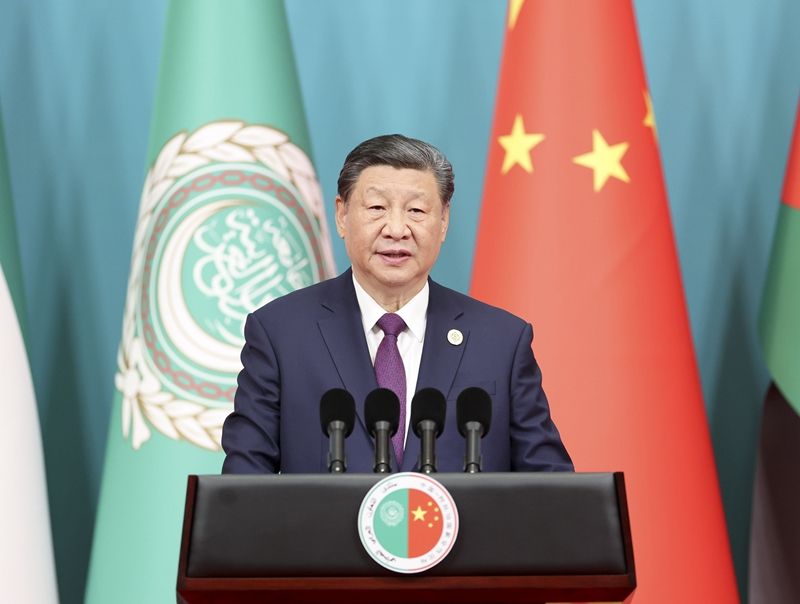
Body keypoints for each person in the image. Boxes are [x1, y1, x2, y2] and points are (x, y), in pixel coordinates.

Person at [221, 134, 572, 473]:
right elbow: (244, 484)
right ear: (342, 215)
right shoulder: (281, 333)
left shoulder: (500, 341)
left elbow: (551, 487)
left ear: (443, 221)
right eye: (377, 208)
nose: (397, 229)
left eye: (416, 210)